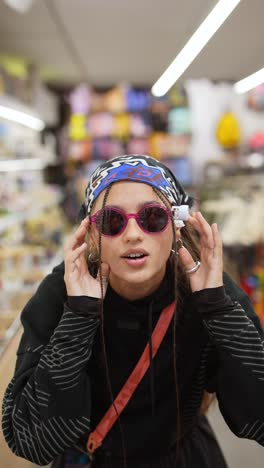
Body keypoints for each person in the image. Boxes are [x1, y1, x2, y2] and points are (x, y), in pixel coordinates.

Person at [2, 154, 264, 468]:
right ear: (92, 236)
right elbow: (31, 440)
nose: (132, 234)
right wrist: (80, 314)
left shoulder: (207, 289)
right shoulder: (62, 293)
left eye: (152, 218)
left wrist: (217, 308)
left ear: (176, 227)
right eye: (111, 221)